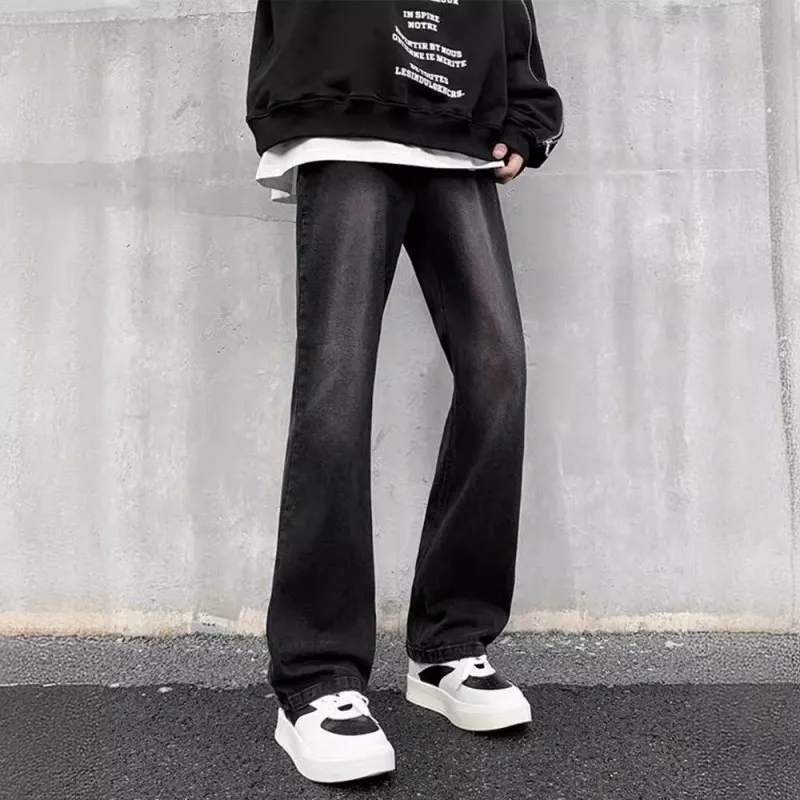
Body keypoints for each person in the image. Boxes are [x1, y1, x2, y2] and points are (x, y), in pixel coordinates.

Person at [246, 0, 564, 784]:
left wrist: (524, 105)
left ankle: (448, 642)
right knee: (337, 385)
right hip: (346, 116)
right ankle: (317, 677)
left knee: (497, 372)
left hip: (455, 129)